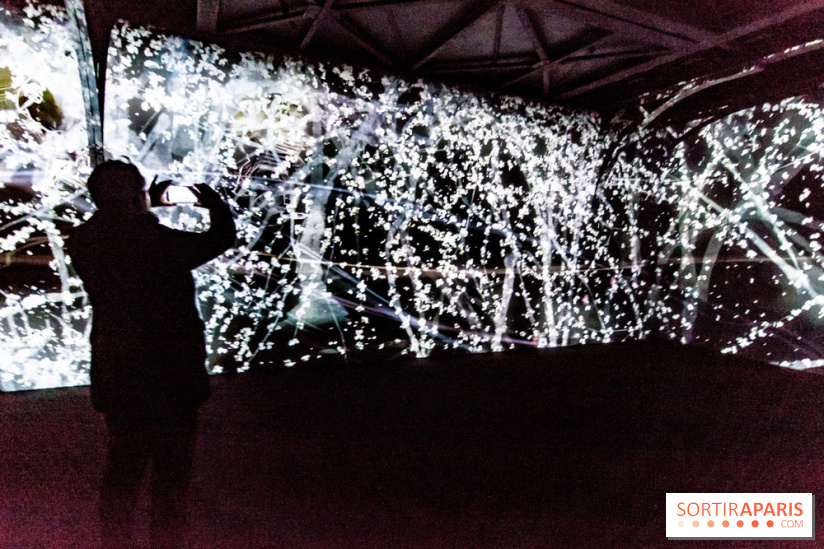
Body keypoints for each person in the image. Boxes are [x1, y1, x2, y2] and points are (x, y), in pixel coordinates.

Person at [66, 160, 236, 549]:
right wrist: (212, 202)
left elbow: (116, 230)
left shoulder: (84, 241)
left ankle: (115, 542)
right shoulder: (159, 243)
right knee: (171, 477)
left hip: (118, 371)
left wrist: (143, 206)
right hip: (171, 375)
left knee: (122, 471)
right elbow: (220, 237)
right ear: (136, 195)